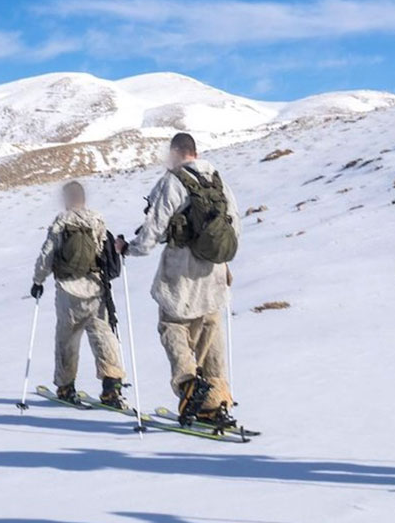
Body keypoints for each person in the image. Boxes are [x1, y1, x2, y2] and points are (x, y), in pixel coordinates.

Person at [127, 132, 239, 425]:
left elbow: (153, 231)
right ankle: (215, 403)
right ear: (196, 152)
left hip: (181, 272)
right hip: (213, 271)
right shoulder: (218, 180)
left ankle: (189, 386)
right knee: (210, 333)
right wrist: (222, 262)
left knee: (172, 326)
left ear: (175, 152)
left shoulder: (172, 181)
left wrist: (129, 247)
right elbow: (234, 224)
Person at [31, 180, 128, 407]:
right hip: (96, 288)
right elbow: (106, 251)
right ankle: (111, 385)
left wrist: (38, 281)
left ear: (66, 199)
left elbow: (47, 255)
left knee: (67, 339)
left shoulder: (61, 221)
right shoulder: (97, 219)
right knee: (103, 335)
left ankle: (66, 386)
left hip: (68, 290)